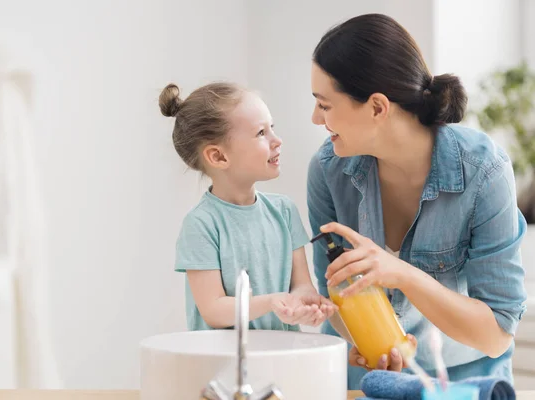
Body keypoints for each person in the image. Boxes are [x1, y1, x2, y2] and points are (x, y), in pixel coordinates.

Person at [306, 13, 528, 389]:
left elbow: (496, 335)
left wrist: (402, 275)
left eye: (325, 105)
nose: (315, 119)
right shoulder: (328, 171)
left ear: (377, 107)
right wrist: (367, 341)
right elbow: (336, 297)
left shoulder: (483, 171)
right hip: (370, 382)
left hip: (464, 385)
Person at [160, 82, 335, 331]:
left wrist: (304, 303)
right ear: (219, 156)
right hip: (223, 366)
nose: (277, 141)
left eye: (272, 128)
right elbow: (214, 310)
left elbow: (301, 285)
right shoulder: (201, 224)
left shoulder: (284, 212)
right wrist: (273, 301)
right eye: (261, 133)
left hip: (276, 361)